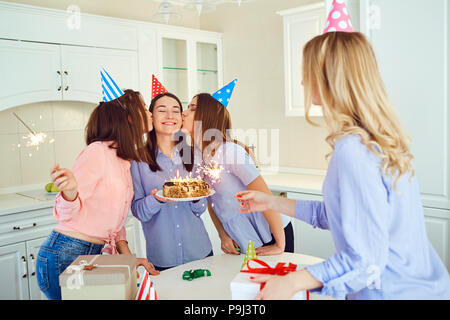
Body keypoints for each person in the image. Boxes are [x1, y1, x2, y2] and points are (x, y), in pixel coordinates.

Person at [235, 31, 450, 300]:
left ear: (329, 79)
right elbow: (341, 215)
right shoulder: (380, 138)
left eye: (308, 72)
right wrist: (271, 202)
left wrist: (291, 282)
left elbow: (365, 261)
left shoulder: (353, 151)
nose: (302, 81)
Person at [36, 89, 159, 300]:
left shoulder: (123, 159)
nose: (149, 113)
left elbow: (116, 224)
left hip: (95, 254)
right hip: (66, 255)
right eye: (144, 107)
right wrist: (70, 192)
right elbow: (66, 215)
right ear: (129, 116)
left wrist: (129, 260)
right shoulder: (97, 151)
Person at [182, 92, 293, 256]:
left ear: (206, 116)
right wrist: (223, 235)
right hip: (241, 234)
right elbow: (212, 200)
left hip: (271, 231)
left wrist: (280, 244)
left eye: (192, 108)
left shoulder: (230, 152)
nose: (184, 112)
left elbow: (265, 195)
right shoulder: (196, 155)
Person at [130, 92, 213, 271]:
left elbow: (201, 209)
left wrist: (196, 196)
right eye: (162, 110)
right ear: (151, 117)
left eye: (176, 111)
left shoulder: (196, 155)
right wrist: (157, 199)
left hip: (200, 252)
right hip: (162, 258)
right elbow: (138, 211)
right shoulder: (137, 159)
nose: (170, 116)